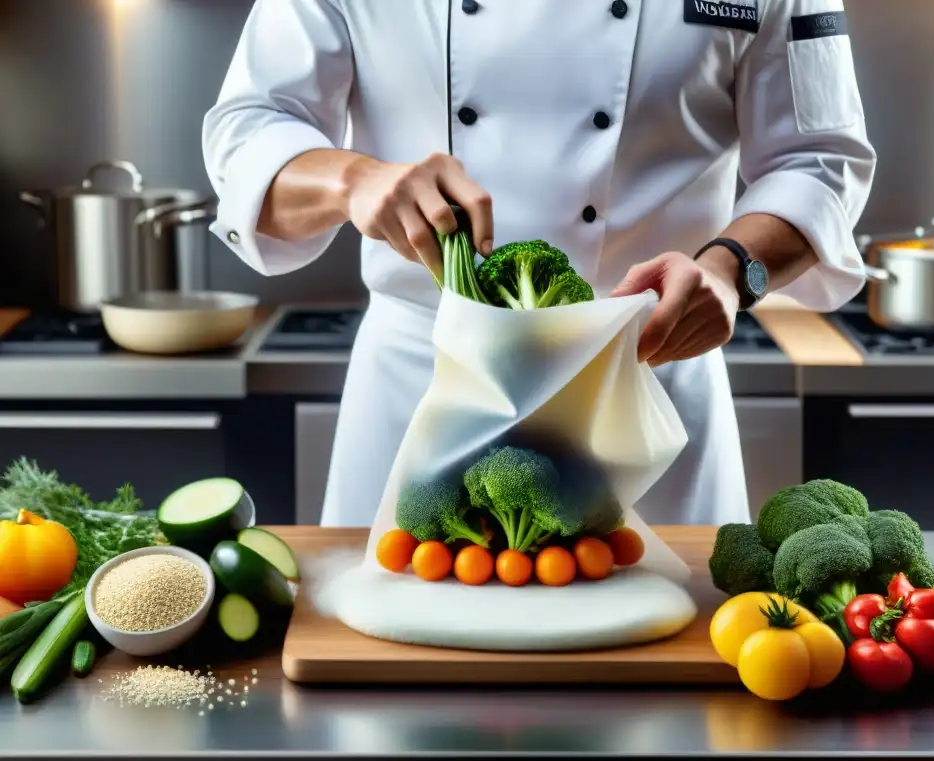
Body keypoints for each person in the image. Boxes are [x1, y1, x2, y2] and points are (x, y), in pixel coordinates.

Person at [203, 0, 875, 527]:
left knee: (671, 686)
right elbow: (250, 131)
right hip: (420, 388)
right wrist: (353, 180)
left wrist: (730, 272)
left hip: (648, 378)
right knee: (394, 678)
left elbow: (819, 161)